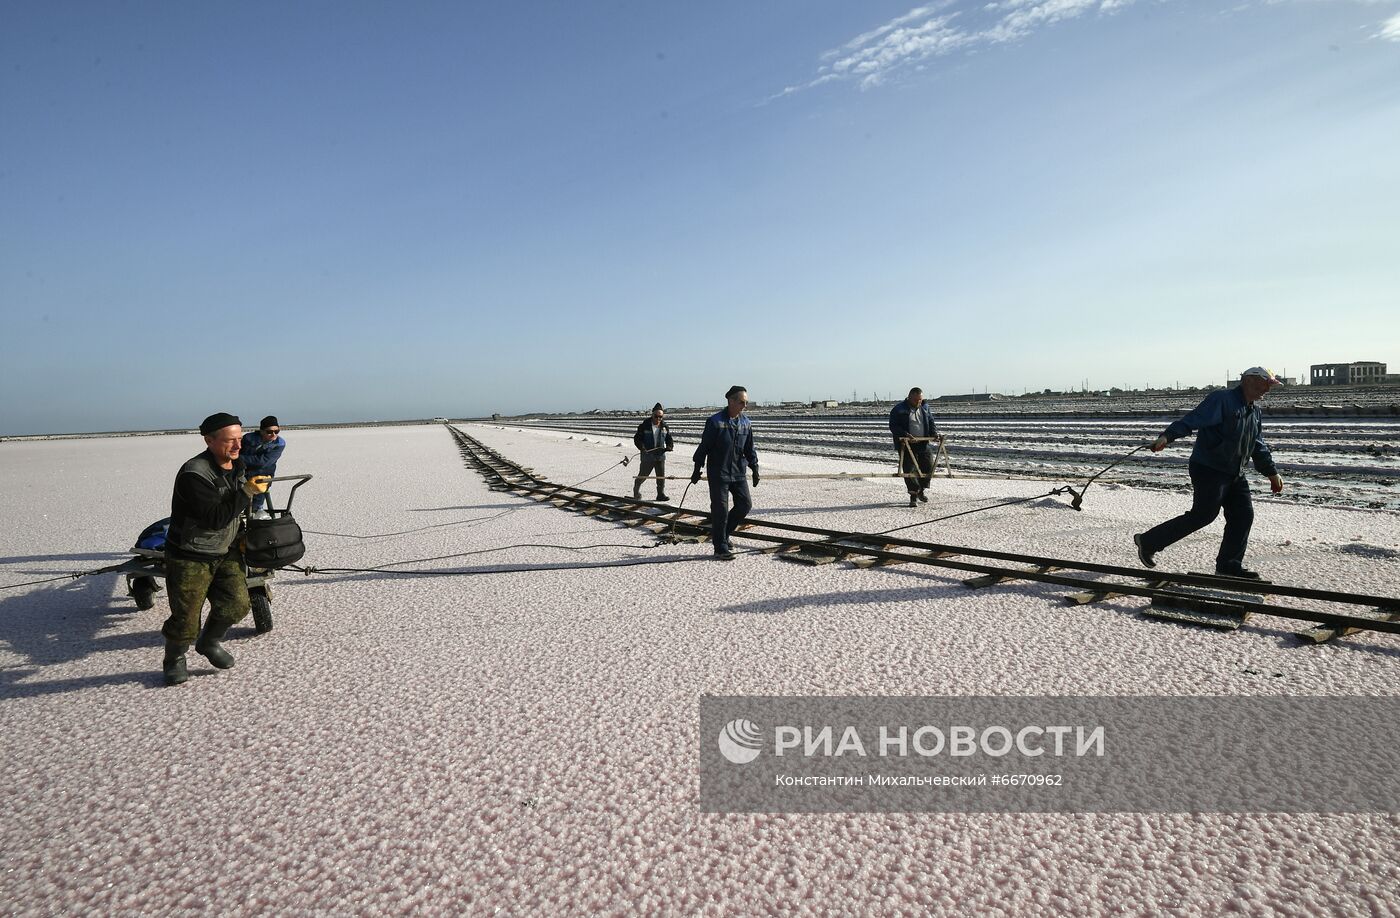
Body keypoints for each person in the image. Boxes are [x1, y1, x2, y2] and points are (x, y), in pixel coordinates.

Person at [1134, 367, 1285, 579]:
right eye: (1266, 384)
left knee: (1243, 515)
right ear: (1249, 380)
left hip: (1235, 472)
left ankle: (1228, 566)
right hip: (1209, 468)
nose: (1268, 389)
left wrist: (1271, 472)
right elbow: (1192, 420)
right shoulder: (1222, 399)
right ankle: (1149, 541)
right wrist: (1167, 437)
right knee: (1203, 515)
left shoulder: (1254, 411)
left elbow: (1257, 444)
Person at [159, 413, 271, 686]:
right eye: (229, 440)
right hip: (190, 555)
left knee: (236, 605)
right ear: (209, 440)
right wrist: (246, 492)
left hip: (225, 551)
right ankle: (174, 659)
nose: (237, 445)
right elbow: (215, 518)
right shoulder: (194, 473)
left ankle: (209, 642)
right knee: (185, 619)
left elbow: (233, 512)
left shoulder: (238, 464)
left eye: (240, 438)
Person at [692, 386, 759, 560]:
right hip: (718, 473)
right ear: (731, 401)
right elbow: (704, 446)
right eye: (741, 402)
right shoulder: (715, 422)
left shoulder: (746, 422)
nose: (744, 406)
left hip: (738, 472)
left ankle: (723, 535)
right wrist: (696, 468)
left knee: (745, 505)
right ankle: (720, 547)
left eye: (746, 402)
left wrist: (755, 466)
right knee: (720, 509)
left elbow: (749, 447)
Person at [889, 387, 942, 507]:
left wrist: (934, 434)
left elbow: (931, 421)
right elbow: (893, 426)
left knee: (928, 466)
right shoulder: (899, 409)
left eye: (920, 400)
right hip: (907, 444)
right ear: (909, 398)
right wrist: (905, 434)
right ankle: (913, 496)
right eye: (916, 400)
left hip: (923, 443)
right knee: (910, 469)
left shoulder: (925, 407)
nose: (919, 402)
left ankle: (921, 490)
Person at [240, 415, 285, 518]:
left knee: (257, 499)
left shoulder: (280, 443)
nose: (273, 434)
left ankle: (256, 513)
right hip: (243, 472)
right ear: (261, 431)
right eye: (269, 431)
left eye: (276, 431)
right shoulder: (248, 438)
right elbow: (236, 452)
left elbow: (264, 462)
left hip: (264, 474)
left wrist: (239, 459)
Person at [632, 403, 674, 501]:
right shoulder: (644, 426)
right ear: (652, 415)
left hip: (660, 456)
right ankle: (636, 490)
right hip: (648, 455)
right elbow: (637, 439)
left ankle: (660, 494)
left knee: (661, 477)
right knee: (643, 475)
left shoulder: (664, 426)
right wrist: (642, 447)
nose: (658, 419)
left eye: (661, 417)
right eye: (656, 416)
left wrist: (669, 446)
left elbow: (669, 439)